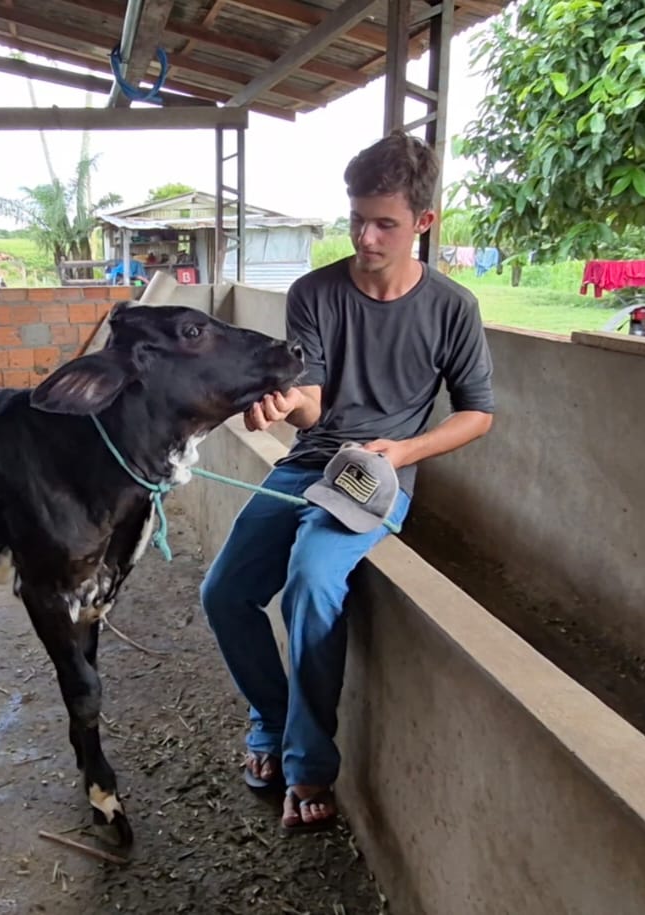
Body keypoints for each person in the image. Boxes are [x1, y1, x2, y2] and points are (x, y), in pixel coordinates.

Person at [197, 131, 496, 833]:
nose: (365, 235)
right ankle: (271, 717)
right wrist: (281, 404)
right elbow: (314, 401)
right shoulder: (315, 292)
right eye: (357, 218)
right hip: (308, 463)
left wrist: (406, 450)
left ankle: (305, 765)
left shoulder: (451, 307)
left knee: (310, 579)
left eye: (384, 222)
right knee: (223, 593)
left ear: (422, 222)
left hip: (375, 476)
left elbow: (478, 415)